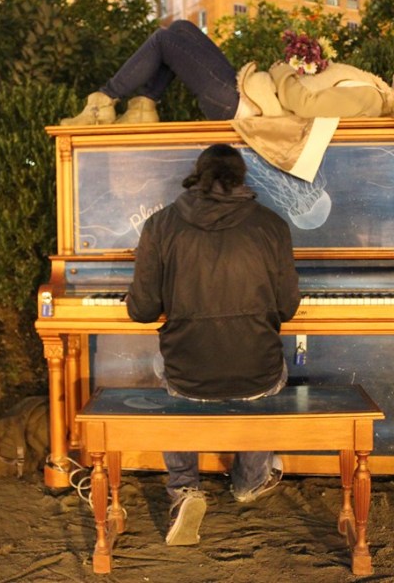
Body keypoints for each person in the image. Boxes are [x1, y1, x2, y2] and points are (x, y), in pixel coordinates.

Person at [126, 144, 301, 546]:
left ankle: (185, 487)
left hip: (189, 375)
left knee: (167, 369)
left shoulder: (160, 225)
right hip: (256, 371)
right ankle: (249, 480)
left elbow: (142, 310)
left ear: (197, 176)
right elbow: (288, 307)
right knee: (274, 370)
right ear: (242, 179)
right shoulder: (272, 225)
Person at [61, 19, 394, 164]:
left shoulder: (371, 98)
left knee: (165, 41)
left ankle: (103, 101)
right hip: (247, 95)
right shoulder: (376, 93)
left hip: (242, 103)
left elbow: (302, 102)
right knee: (183, 31)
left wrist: (286, 69)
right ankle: (144, 105)